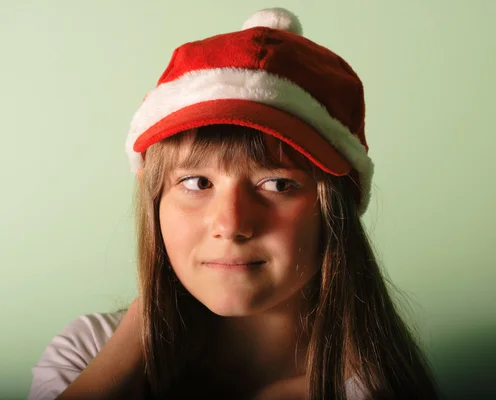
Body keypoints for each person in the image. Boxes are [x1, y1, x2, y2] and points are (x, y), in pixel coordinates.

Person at [28, 7, 440, 400]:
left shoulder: (377, 389)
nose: (231, 223)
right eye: (196, 181)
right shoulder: (86, 352)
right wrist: (147, 319)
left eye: (277, 184)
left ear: (334, 213)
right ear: (154, 202)